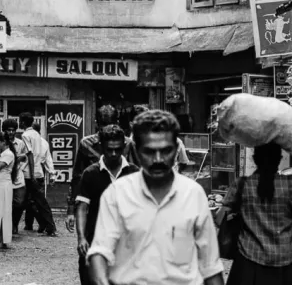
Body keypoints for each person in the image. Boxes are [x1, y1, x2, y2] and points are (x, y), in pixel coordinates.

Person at [88, 109, 224, 285]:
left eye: (166, 151)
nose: (158, 159)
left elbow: (211, 267)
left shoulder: (193, 194)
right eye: (149, 152)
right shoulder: (117, 194)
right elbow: (100, 252)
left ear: (176, 150)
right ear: (136, 151)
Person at [75, 125, 139, 285]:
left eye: (118, 149)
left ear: (124, 147)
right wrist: (81, 238)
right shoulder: (90, 173)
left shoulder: (134, 173)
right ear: (102, 147)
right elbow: (82, 208)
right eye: (109, 149)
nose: (113, 154)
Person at [223, 142, 292, 285]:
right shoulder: (289, 185)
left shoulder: (241, 184)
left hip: (248, 262)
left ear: (254, 159)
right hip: (284, 263)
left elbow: (220, 218)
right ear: (279, 159)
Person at [66, 104, 139, 232]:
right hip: (94, 201)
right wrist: (71, 210)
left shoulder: (128, 144)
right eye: (103, 126)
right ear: (96, 124)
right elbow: (77, 177)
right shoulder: (86, 144)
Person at [20, 112, 57, 236]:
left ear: (23, 122)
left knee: (23, 201)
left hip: (29, 173)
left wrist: (31, 174)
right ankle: (48, 226)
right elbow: (46, 158)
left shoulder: (25, 135)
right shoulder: (37, 136)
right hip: (38, 172)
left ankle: (48, 226)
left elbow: (30, 155)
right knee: (39, 202)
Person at [1, 118, 28, 235]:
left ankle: (15, 223)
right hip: (4, 177)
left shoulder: (21, 143)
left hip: (18, 179)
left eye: (12, 130)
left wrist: (21, 167)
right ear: (4, 131)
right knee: (6, 203)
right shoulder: (0, 143)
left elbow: (27, 157)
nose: (10, 133)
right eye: (8, 130)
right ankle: (7, 226)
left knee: (19, 203)